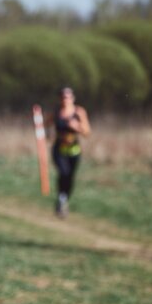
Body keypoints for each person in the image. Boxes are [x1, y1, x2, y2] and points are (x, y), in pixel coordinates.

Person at [49, 86, 91, 218]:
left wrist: (77, 126)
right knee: (63, 172)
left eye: (67, 96)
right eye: (62, 96)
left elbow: (87, 132)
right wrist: (43, 133)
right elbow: (44, 124)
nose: (65, 99)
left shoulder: (79, 112)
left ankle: (64, 199)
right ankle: (61, 200)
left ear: (72, 98)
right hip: (59, 149)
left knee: (70, 177)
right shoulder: (56, 112)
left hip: (74, 150)